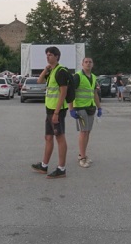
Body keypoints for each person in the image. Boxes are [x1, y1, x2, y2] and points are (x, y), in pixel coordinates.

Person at [31, 46, 73, 179]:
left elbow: (63, 92)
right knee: (48, 137)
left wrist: (56, 113)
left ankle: (62, 168)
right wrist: (46, 69)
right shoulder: (52, 70)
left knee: (59, 137)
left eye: (50, 55)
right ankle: (44, 165)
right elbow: (39, 81)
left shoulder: (60, 71)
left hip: (57, 111)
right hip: (49, 109)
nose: (47, 57)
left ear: (57, 56)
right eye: (47, 55)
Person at [71, 56, 103, 168]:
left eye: (90, 62)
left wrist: (99, 108)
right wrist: (71, 109)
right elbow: (71, 93)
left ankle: (82, 154)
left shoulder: (93, 77)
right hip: (80, 108)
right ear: (82, 64)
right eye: (86, 62)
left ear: (93, 64)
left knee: (88, 132)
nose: (88, 64)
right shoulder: (77, 76)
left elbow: (94, 94)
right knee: (83, 132)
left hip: (90, 108)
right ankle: (82, 158)